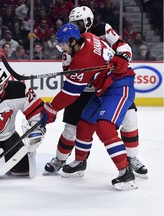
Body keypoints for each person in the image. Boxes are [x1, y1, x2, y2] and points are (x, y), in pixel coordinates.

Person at [44, 6, 148, 179]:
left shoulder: (100, 30)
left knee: (130, 121)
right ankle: (62, 159)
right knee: (72, 128)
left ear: (88, 22)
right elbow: (73, 78)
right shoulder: (74, 40)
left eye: (78, 23)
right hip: (85, 88)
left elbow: (124, 47)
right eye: (73, 23)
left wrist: (121, 58)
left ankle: (131, 158)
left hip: (110, 85)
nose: (75, 26)